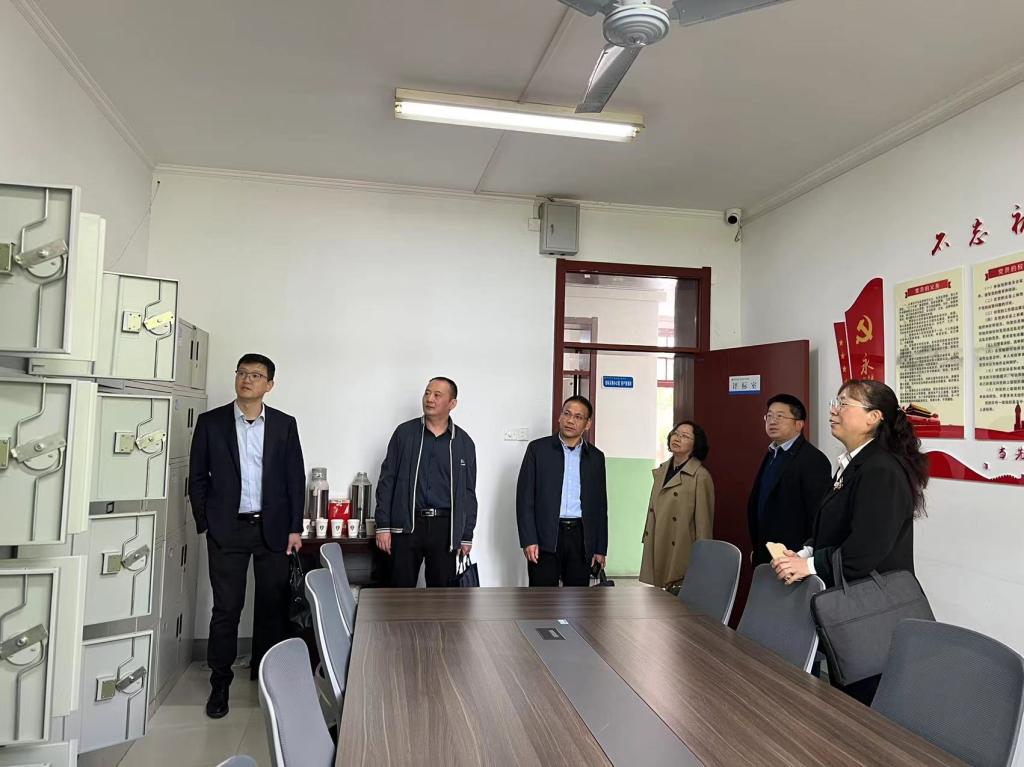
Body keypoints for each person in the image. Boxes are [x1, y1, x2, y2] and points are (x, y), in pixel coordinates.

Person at [772, 379, 928, 705]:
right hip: (851, 609)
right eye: (836, 402)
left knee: (867, 708)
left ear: (874, 417)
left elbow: (864, 552)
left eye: (844, 404)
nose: (834, 411)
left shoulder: (881, 469)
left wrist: (809, 566)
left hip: (871, 614)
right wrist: (805, 551)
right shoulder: (855, 463)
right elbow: (833, 525)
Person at [189, 353, 305, 719]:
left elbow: (295, 479)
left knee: (272, 609)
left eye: (256, 375)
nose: (247, 379)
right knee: (226, 609)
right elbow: (197, 477)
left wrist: (294, 528)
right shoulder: (211, 423)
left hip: (272, 529)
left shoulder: (284, 425)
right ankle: (220, 685)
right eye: (242, 372)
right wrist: (207, 522)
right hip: (228, 529)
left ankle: (269, 681)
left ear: (269, 385)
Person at [374, 377, 477, 587]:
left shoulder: (463, 442)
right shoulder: (404, 433)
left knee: (442, 595)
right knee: (399, 591)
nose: (429, 399)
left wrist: (466, 535)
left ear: (452, 403)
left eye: (437, 395)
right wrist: (383, 526)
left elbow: (468, 493)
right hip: (407, 525)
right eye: (427, 393)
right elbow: (387, 481)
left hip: (445, 528)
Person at [516, 396, 607, 586]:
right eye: (567, 414)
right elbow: (524, 499)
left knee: (577, 597)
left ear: (587, 424)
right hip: (546, 534)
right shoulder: (538, 450)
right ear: (559, 417)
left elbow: (600, 506)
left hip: (581, 537)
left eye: (578, 417)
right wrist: (529, 539)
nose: (570, 420)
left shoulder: (596, 457)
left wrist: (600, 547)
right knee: (542, 597)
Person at [747, 394, 832, 566]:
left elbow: (818, 515)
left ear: (799, 424)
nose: (772, 421)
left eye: (780, 416)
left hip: (794, 556)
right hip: (766, 552)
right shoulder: (772, 453)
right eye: (769, 416)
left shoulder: (813, 459)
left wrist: (804, 555)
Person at [639, 420, 714, 593]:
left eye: (685, 436)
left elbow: (703, 524)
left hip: (681, 546)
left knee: (678, 599)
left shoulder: (700, 476)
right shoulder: (662, 470)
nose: (677, 438)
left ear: (695, 444)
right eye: (675, 433)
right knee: (660, 599)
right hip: (659, 539)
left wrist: (703, 557)